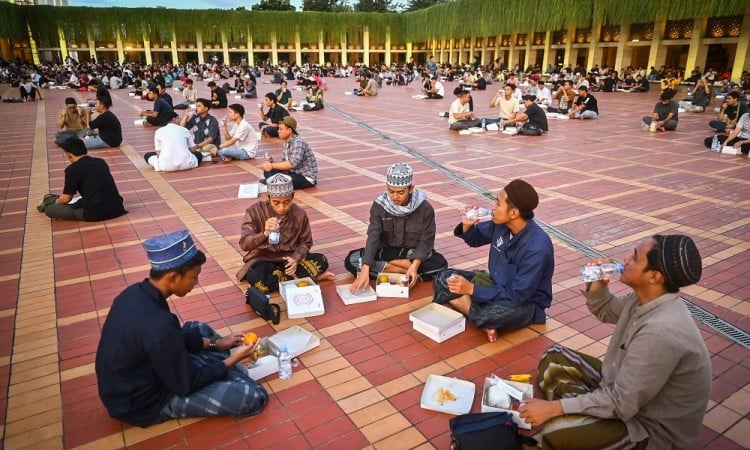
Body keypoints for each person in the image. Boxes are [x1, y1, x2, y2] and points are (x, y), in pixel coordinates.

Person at [519, 235, 710, 450]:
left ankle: (581, 420)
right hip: (623, 393)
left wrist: (554, 408)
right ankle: (588, 418)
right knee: (553, 358)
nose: (626, 259)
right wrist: (597, 284)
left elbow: (623, 404)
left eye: (635, 258)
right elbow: (606, 310)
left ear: (654, 276)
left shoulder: (661, 330)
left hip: (647, 429)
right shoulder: (645, 298)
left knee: (556, 431)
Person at [96, 229, 268, 427]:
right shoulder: (157, 326)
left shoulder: (136, 292)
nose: (196, 283)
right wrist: (231, 361)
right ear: (172, 278)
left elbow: (175, 337)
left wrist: (219, 343)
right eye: (194, 277)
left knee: (198, 329)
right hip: (143, 402)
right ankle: (229, 373)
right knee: (253, 395)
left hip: (151, 372)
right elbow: (185, 384)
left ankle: (224, 371)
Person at [432, 179, 554, 342]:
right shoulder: (502, 224)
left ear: (514, 213)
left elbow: (517, 295)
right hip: (495, 285)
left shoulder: (537, 247)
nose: (493, 207)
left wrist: (472, 290)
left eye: (497, 203)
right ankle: (482, 321)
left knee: (491, 313)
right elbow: (475, 239)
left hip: (524, 303)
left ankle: (474, 312)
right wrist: (467, 226)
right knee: (444, 276)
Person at [345, 163, 448, 292]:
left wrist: (414, 265)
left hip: (411, 252)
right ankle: (401, 269)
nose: (395, 197)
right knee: (351, 260)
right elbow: (373, 236)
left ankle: (390, 269)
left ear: (411, 188)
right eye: (391, 191)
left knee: (440, 264)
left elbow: (426, 241)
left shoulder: (425, 209)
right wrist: (365, 269)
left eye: (400, 192)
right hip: (386, 252)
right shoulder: (379, 206)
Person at [236, 174, 333, 293]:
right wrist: (264, 233)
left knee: (322, 260)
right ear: (268, 196)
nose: (282, 207)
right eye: (276, 202)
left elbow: (306, 242)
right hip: (264, 259)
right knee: (256, 277)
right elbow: (244, 245)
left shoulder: (299, 213)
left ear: (292, 196)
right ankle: (307, 278)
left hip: (289, 258)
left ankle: (282, 280)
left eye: (287, 202)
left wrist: (295, 259)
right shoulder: (254, 211)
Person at [43, 137, 127, 221]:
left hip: (94, 213)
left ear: (69, 154)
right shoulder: (100, 161)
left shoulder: (72, 169)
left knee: (50, 210)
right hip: (117, 208)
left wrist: (56, 203)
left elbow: (66, 198)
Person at [261, 116, 317, 189]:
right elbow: (285, 164)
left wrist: (272, 165)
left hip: (305, 177)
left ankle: (272, 181)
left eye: (281, 129)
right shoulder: (287, 142)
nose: (278, 131)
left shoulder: (298, 142)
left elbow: (291, 164)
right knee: (268, 171)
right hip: (293, 173)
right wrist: (272, 163)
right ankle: (273, 181)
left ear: (289, 130)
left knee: (283, 178)